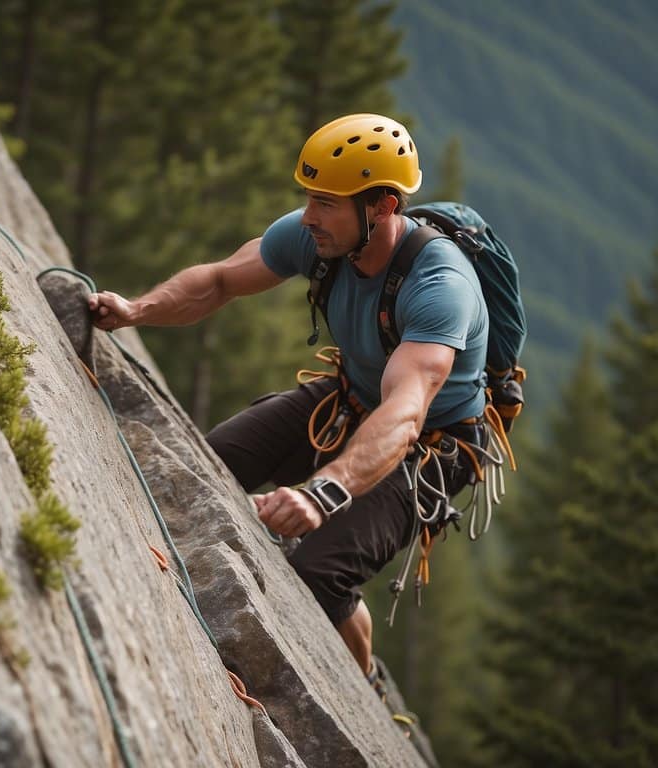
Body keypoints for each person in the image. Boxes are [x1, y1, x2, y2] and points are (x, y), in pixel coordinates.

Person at [88, 114, 489, 685]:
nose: (308, 217)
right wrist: (136, 311)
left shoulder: (440, 286)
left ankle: (360, 684)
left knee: (319, 572)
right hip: (350, 399)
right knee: (205, 469)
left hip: (431, 446)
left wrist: (325, 493)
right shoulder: (318, 237)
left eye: (326, 202)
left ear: (382, 206)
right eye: (309, 198)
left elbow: (405, 413)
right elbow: (221, 280)